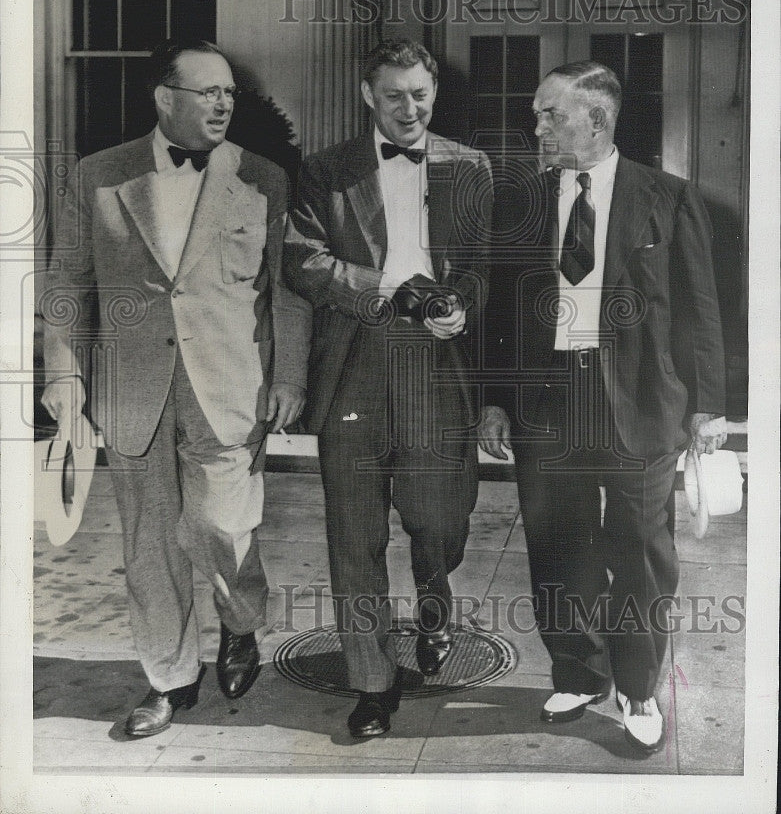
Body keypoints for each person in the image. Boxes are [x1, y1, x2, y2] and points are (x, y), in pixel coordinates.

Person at [41, 39, 311, 737]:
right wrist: (65, 378)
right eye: (207, 92)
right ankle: (169, 679)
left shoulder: (263, 177)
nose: (223, 103)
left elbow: (285, 291)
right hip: (132, 393)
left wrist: (288, 377)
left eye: (228, 93)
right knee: (150, 545)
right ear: (165, 99)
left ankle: (241, 625)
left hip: (229, 389)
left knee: (223, 530)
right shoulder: (98, 176)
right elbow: (69, 281)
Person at [479, 61, 727, 755]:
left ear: (596, 120)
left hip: (641, 404)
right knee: (557, 544)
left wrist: (707, 409)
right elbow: (501, 312)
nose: (536, 127)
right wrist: (496, 400)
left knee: (641, 551)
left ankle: (639, 684)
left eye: (548, 115)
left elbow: (700, 309)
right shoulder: (521, 200)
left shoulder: (668, 198)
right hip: (547, 401)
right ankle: (578, 671)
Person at [283, 38, 493, 738]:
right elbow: (302, 262)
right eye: (395, 94)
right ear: (368, 95)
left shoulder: (470, 167)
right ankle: (370, 684)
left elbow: (483, 266)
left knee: (439, 521)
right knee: (355, 535)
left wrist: (460, 301)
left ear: (434, 94)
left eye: (420, 94)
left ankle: (434, 604)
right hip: (356, 360)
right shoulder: (323, 171)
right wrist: (381, 289)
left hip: (436, 367)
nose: (410, 107)